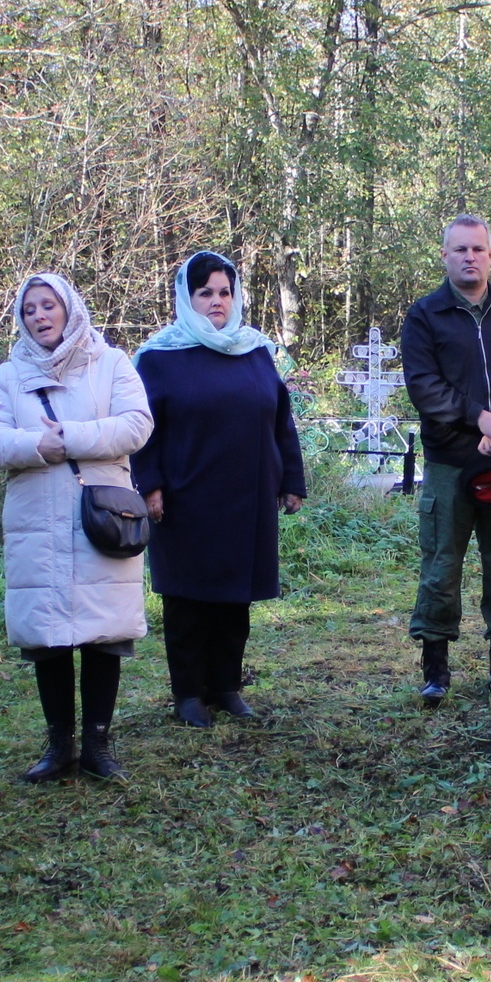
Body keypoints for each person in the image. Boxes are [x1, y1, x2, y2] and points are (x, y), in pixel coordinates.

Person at [0, 272, 154, 781]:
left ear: (69, 308)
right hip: (37, 519)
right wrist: (38, 447)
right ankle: (59, 747)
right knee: (49, 635)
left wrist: (72, 437)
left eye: (48, 305)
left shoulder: (112, 362)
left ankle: (98, 747)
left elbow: (137, 424)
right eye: (30, 308)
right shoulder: (8, 375)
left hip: (101, 515)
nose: (39, 315)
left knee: (103, 633)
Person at [131, 251, 308, 727]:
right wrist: (149, 485)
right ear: (187, 299)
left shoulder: (252, 349)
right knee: (189, 599)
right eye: (205, 293)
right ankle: (188, 693)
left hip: (247, 495)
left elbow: (280, 419)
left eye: (224, 292)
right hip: (186, 496)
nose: (216, 302)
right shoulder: (160, 356)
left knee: (235, 597)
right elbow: (143, 427)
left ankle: (226, 686)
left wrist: (292, 479)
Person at [400, 214, 491, 704]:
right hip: (450, 463)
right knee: (442, 563)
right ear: (444, 256)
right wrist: (476, 420)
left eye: (478, 249)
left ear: (490, 255)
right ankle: (436, 670)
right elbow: (425, 388)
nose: (470, 257)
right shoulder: (425, 316)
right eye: (460, 249)